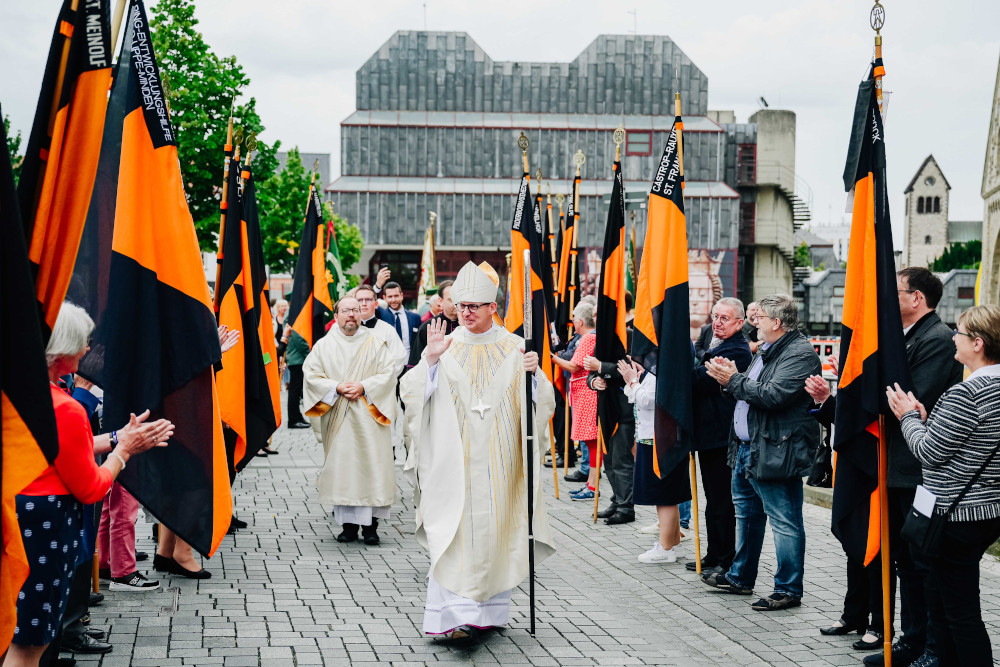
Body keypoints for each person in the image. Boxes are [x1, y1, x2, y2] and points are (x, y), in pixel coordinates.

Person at [6, 303, 171, 667]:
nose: (87, 350)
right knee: (29, 647)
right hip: (45, 534)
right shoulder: (65, 408)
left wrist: (117, 438)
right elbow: (92, 488)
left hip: (18, 519)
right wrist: (124, 451)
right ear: (61, 352)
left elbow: (61, 448)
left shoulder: (21, 392)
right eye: (82, 343)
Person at [399, 261, 555, 642]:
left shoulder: (519, 348)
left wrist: (534, 378)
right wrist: (430, 361)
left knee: (497, 534)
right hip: (453, 467)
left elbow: (544, 406)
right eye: (461, 306)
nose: (465, 313)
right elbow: (412, 392)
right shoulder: (445, 347)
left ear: (493, 308)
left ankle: (489, 614)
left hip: (503, 467)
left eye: (473, 307)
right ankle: (452, 616)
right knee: (454, 537)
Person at [886, 304, 1000, 667]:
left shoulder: (967, 394)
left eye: (961, 333)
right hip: (987, 510)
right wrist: (925, 418)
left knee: (960, 611)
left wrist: (906, 416)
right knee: (948, 597)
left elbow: (928, 452)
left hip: (955, 515)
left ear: (978, 343)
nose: (954, 336)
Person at [864, 267, 965, 667]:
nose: (888, 299)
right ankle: (911, 639)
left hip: (918, 467)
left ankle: (933, 649)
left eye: (896, 291)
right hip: (896, 465)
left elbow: (911, 399)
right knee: (905, 559)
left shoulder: (937, 339)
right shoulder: (904, 336)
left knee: (923, 561)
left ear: (917, 298)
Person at [702, 293, 821, 611]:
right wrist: (729, 379)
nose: (754, 322)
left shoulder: (799, 353)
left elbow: (773, 395)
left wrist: (733, 379)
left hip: (776, 450)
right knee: (747, 516)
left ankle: (788, 588)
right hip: (748, 447)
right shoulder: (768, 350)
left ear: (777, 323)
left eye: (760, 317)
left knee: (784, 520)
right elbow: (747, 392)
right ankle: (741, 576)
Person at [302, 296, 405, 545]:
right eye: (346, 310)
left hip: (370, 417)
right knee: (344, 470)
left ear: (361, 314)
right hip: (339, 418)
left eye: (356, 310)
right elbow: (311, 374)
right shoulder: (324, 346)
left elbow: (388, 373)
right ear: (336, 315)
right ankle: (348, 527)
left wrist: (364, 386)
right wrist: (336, 387)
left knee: (372, 468)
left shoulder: (376, 342)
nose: (351, 314)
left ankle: (371, 528)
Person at [687, 297, 752, 576]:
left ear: (740, 322)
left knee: (723, 500)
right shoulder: (717, 344)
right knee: (712, 498)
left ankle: (725, 559)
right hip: (709, 433)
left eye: (725, 318)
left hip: (722, 435)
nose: (718, 322)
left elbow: (698, 381)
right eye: (716, 316)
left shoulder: (736, 350)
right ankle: (714, 554)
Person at [618, 358, 689, 563]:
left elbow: (649, 399)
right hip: (653, 435)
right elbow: (633, 396)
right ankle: (673, 541)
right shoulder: (653, 370)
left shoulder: (662, 371)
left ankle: (665, 548)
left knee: (663, 493)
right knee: (666, 494)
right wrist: (632, 382)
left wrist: (633, 382)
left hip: (659, 438)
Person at [583, 304, 636, 525]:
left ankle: (626, 507)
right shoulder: (601, 341)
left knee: (621, 460)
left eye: (599, 314)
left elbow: (633, 367)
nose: (595, 318)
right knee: (609, 460)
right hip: (605, 409)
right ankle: (617, 500)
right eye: (593, 314)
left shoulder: (629, 336)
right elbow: (591, 374)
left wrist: (602, 366)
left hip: (623, 410)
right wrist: (594, 380)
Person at [550, 301, 599, 500]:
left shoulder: (588, 339)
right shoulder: (589, 337)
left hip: (586, 393)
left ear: (579, 321)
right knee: (589, 441)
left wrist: (551, 357)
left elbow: (573, 366)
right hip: (584, 392)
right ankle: (590, 484)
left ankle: (593, 486)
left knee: (591, 441)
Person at [409, 281, 458, 368]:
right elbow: (415, 362)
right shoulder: (428, 327)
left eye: (458, 299)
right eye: (451, 300)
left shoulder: (468, 325)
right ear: (441, 301)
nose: (456, 303)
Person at [382, 281, 421, 357]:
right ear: (384, 298)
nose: (393, 300)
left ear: (402, 296)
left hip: (410, 364)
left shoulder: (415, 317)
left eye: (396, 296)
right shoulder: (381, 316)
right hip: (389, 364)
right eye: (390, 297)